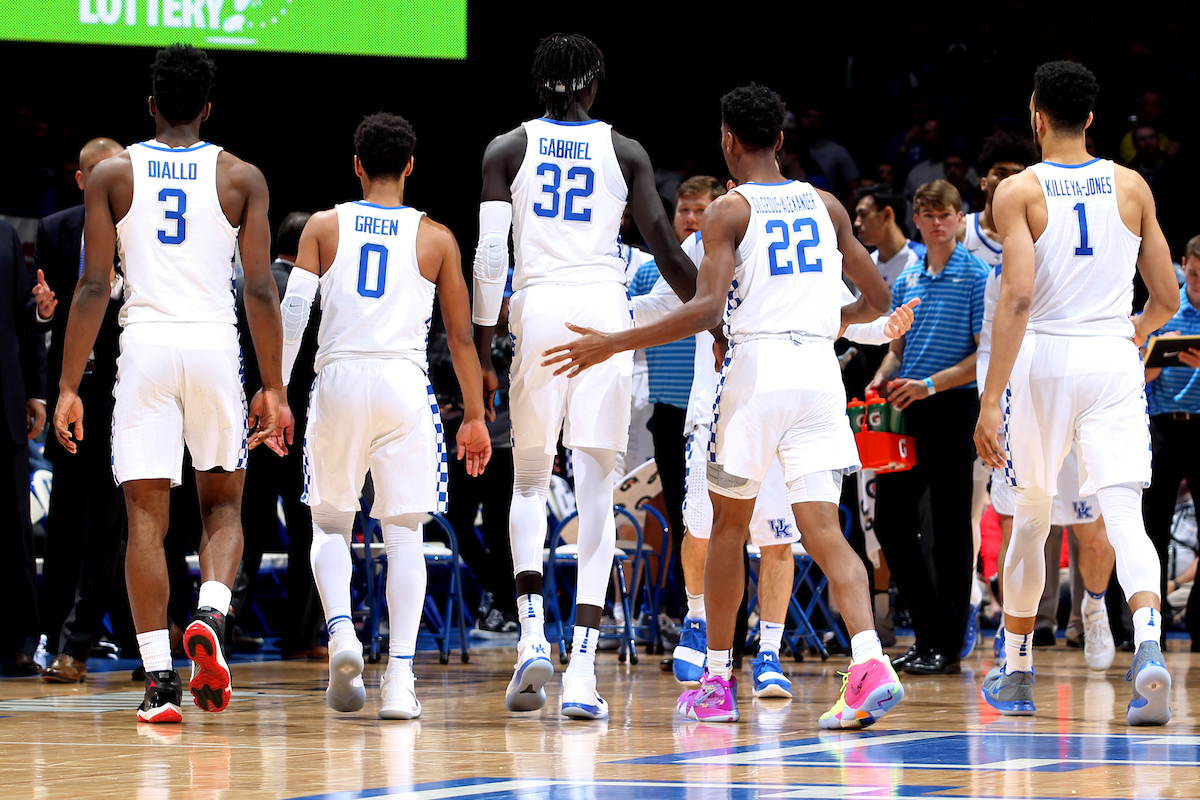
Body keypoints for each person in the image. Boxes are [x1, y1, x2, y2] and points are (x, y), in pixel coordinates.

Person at [543, 83, 903, 729]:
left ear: (728, 140)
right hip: (821, 374)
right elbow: (876, 300)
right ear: (782, 139)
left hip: (757, 374)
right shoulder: (826, 204)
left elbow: (706, 310)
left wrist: (614, 342)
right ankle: (870, 659)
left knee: (728, 530)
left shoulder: (728, 211)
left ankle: (715, 681)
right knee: (822, 530)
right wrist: (822, 322)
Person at [53, 45, 284, 723]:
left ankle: (159, 685)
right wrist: (272, 384)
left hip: (146, 349)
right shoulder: (242, 176)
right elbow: (262, 290)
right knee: (223, 507)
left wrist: (69, 385)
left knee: (145, 524)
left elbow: (95, 285)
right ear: (208, 109)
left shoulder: (113, 172)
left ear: (151, 105)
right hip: (214, 346)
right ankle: (211, 609)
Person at [471, 33, 696, 721]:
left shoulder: (505, 148)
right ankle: (582, 670)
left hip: (536, 306)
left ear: (537, 84)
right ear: (595, 84)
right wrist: (713, 311)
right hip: (601, 308)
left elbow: (487, 261)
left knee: (532, 481)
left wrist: (482, 353)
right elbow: (662, 247)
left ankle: (532, 636)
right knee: (598, 487)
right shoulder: (625, 151)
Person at [975, 61, 1178, 725]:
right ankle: (1147, 646)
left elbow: (1020, 295)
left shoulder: (1021, 192)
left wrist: (989, 398)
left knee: (1032, 518)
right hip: (1110, 356)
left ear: (1036, 117)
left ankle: (1018, 670)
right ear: (1091, 118)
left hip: (1044, 357)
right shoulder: (1132, 185)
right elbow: (1169, 298)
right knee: (1123, 511)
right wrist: (1130, 332)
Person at [278, 113, 490, 719]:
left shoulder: (322, 225)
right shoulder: (436, 237)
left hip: (338, 378)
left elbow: (294, 316)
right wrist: (474, 416)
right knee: (403, 535)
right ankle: (400, 679)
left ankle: (342, 634)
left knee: (329, 526)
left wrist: (276, 391)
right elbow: (461, 338)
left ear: (356, 165)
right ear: (411, 166)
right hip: (403, 381)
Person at [961, 130, 1117, 670]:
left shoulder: (1072, 227)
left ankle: (1094, 610)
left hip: (1078, 375)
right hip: (1021, 393)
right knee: (1016, 521)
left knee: (1090, 523)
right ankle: (1016, 644)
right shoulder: (991, 266)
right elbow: (988, 340)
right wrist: (990, 401)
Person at [868, 180, 989, 676]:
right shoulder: (908, 278)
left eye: (946, 215)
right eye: (928, 215)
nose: (937, 223)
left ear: (961, 220)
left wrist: (930, 385)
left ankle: (948, 643)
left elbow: (984, 356)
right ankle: (930, 632)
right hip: (906, 409)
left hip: (953, 409)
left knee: (950, 529)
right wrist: (880, 378)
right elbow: (897, 348)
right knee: (892, 522)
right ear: (916, 220)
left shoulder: (978, 274)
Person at [30, 138, 130, 683]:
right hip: (73, 390)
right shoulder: (56, 230)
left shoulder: (140, 227)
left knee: (111, 526)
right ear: (82, 180)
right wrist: (44, 313)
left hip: (126, 393)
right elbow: (42, 307)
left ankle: (80, 643)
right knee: (70, 526)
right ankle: (55, 638)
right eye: (99, 175)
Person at [629, 175, 722, 631]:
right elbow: (639, 315)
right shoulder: (652, 270)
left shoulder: (730, 257)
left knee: (727, 524)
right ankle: (685, 619)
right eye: (684, 210)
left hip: (719, 407)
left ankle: (730, 631)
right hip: (670, 412)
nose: (691, 218)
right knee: (684, 521)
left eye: (701, 210)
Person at [232, 210, 326, 660]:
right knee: (305, 528)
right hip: (298, 422)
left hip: (247, 419)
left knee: (242, 526)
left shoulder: (245, 283)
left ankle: (221, 626)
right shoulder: (313, 292)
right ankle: (300, 637)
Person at [1142, 234, 1200, 651]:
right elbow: (1132, 375)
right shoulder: (1165, 306)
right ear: (1183, 264)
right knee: (1152, 529)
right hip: (1161, 424)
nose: (1198, 283)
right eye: (1194, 275)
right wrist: (1150, 368)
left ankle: (1198, 618)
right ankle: (1149, 628)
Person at [0, 217, 45, 676]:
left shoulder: (5, 234)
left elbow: (23, 316)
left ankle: (22, 640)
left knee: (14, 529)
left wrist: (35, 389)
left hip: (5, 400)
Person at [853, 186, 925, 289]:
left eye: (864, 214)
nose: (857, 223)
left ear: (887, 214)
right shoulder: (865, 266)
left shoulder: (924, 259)